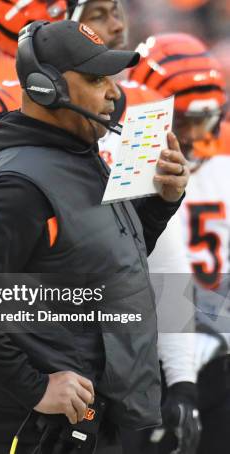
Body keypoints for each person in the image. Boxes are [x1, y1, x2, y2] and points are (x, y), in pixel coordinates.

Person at [0, 20, 190, 453]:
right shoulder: (20, 183)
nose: (113, 92)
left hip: (84, 414)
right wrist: (36, 387)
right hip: (36, 423)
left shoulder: (75, 154)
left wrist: (162, 201)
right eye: (95, 78)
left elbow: (110, 260)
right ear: (47, 87)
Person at [130, 32, 229, 454]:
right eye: (182, 119)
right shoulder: (130, 157)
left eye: (201, 120)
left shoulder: (222, 159)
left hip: (217, 339)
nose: (192, 135)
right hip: (148, 348)